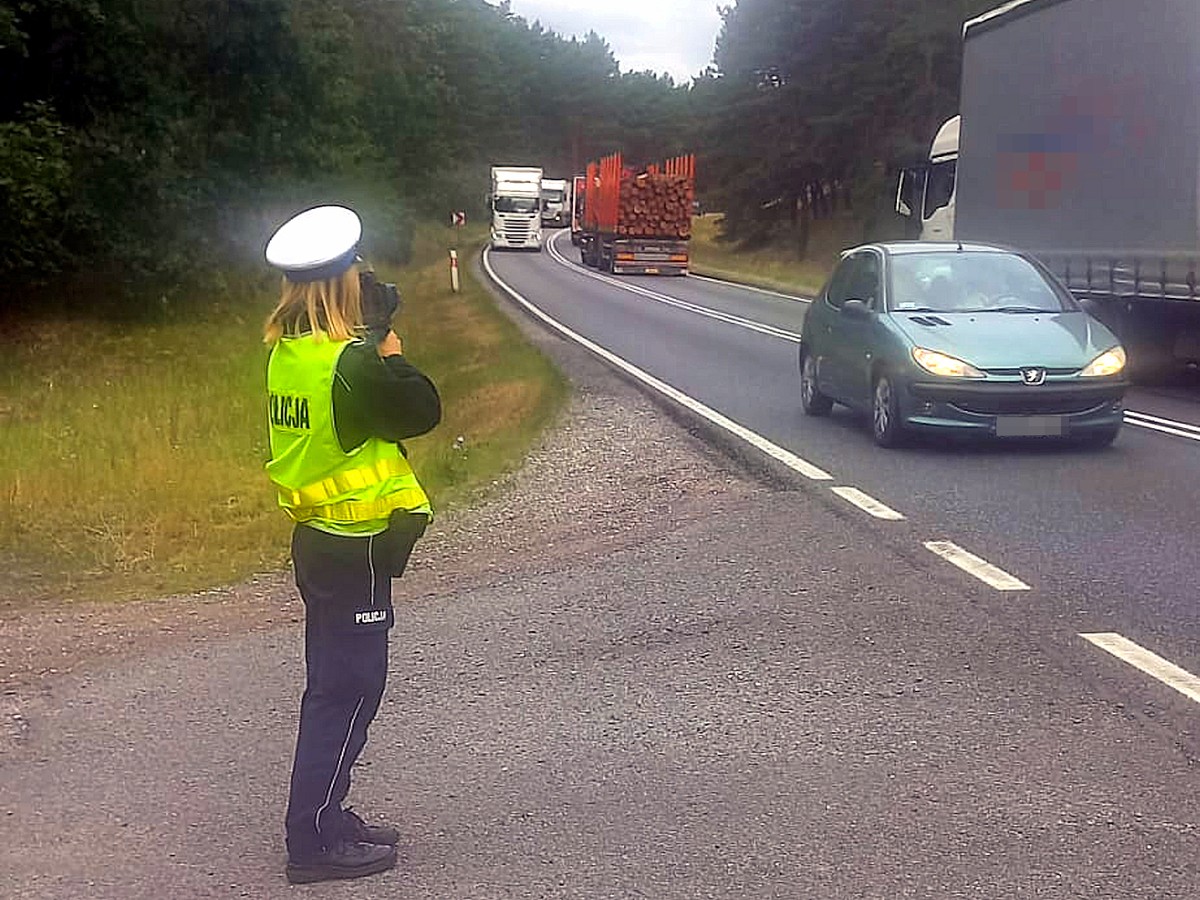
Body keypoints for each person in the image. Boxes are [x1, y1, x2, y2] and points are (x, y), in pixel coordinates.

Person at [262, 205, 441, 884]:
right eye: (357, 274)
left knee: (334, 686)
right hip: (354, 546)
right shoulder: (354, 365)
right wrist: (389, 347)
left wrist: (371, 342)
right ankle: (312, 842)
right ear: (343, 285)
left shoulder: (291, 353)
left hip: (318, 540)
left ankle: (327, 817)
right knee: (348, 691)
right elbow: (422, 409)